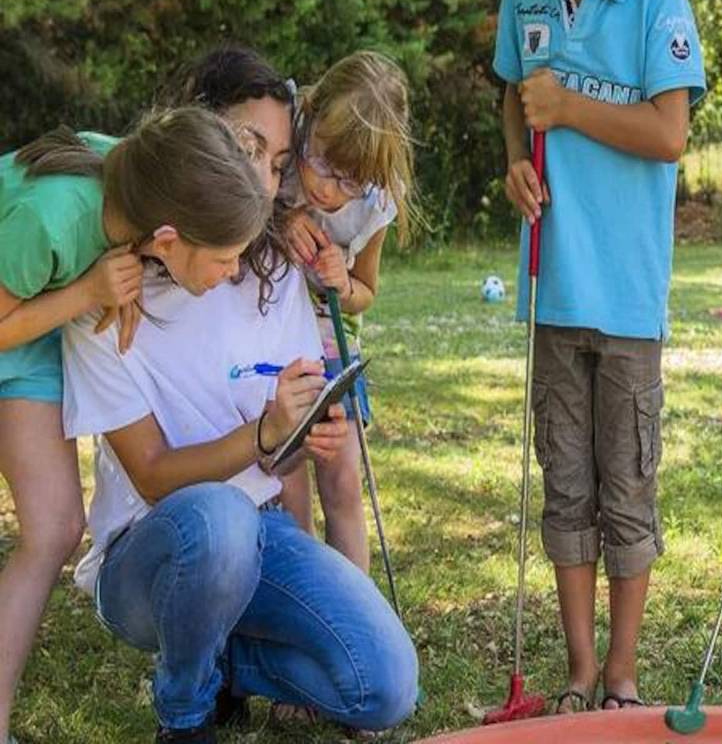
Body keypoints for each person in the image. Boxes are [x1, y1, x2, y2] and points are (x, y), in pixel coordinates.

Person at [61, 48, 419, 743]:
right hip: (147, 557)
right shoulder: (109, 294)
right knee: (220, 520)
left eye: (278, 164)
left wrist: (300, 434)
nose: (264, 182)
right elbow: (155, 475)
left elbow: (276, 465)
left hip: (258, 533)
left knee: (386, 686)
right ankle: (186, 711)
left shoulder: (276, 269)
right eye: (249, 149)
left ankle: (227, 660)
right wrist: (261, 434)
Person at [494, 0, 706, 712]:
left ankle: (622, 673)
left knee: (627, 487)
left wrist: (571, 106)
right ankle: (579, 671)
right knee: (565, 483)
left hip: (626, 297)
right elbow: (516, 96)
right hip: (554, 287)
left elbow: (668, 135)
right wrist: (514, 159)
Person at [0, 107, 266, 744]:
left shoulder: (153, 176)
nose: (235, 271)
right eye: (227, 258)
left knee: (57, 526)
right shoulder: (51, 217)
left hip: (37, 318)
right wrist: (90, 291)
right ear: (168, 238)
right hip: (16, 310)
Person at [277, 50, 421, 571]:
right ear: (311, 114)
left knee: (341, 483)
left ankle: (354, 610)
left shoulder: (376, 202)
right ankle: (297, 602)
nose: (325, 188)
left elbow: (365, 291)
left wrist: (343, 278)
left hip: (332, 347)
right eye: (319, 162)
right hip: (273, 347)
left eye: (348, 182)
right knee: (286, 478)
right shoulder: (278, 140)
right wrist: (281, 220)